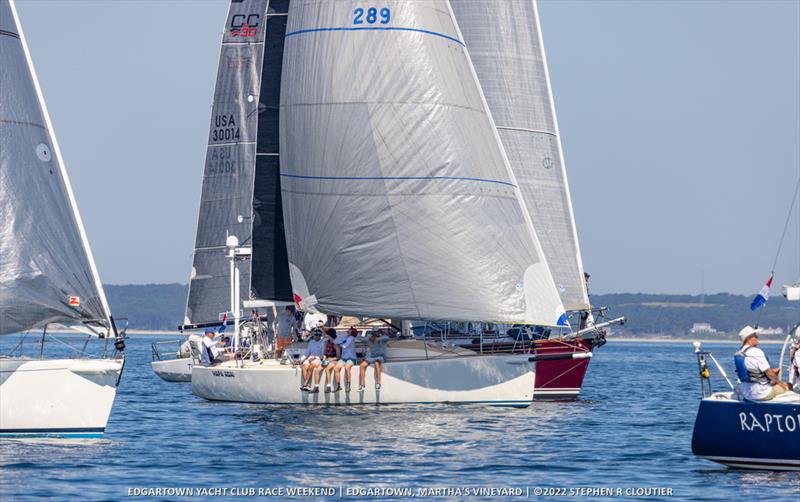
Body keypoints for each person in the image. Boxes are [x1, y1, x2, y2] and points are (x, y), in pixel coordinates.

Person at [734, 326, 790, 401]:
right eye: (755, 336)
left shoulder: (739, 353)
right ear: (748, 338)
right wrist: (781, 383)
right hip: (761, 393)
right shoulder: (756, 352)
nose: (757, 337)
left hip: (745, 393)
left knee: (773, 378)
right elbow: (769, 372)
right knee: (789, 385)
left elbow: (751, 371)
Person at [333, 327, 359, 392]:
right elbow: (335, 341)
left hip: (351, 358)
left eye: (350, 329)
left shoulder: (351, 338)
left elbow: (344, 346)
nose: (348, 330)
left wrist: (341, 343)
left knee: (347, 367)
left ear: (351, 332)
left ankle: (348, 385)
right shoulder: (345, 337)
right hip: (344, 358)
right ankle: (338, 385)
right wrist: (342, 340)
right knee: (336, 368)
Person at [321, 328, 339, 392]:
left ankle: (328, 386)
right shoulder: (327, 342)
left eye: (327, 334)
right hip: (328, 359)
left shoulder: (336, 343)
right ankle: (316, 387)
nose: (326, 335)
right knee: (318, 369)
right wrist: (324, 358)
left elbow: (338, 357)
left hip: (334, 360)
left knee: (327, 369)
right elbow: (325, 353)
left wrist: (329, 360)